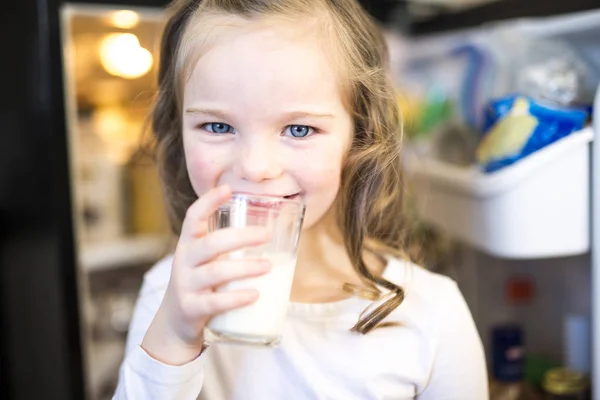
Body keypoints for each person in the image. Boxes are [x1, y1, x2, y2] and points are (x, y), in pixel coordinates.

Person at [113, 0, 488, 398]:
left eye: (298, 130)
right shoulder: (168, 296)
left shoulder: (432, 314)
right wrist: (173, 339)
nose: (256, 167)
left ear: (359, 137)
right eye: (218, 125)